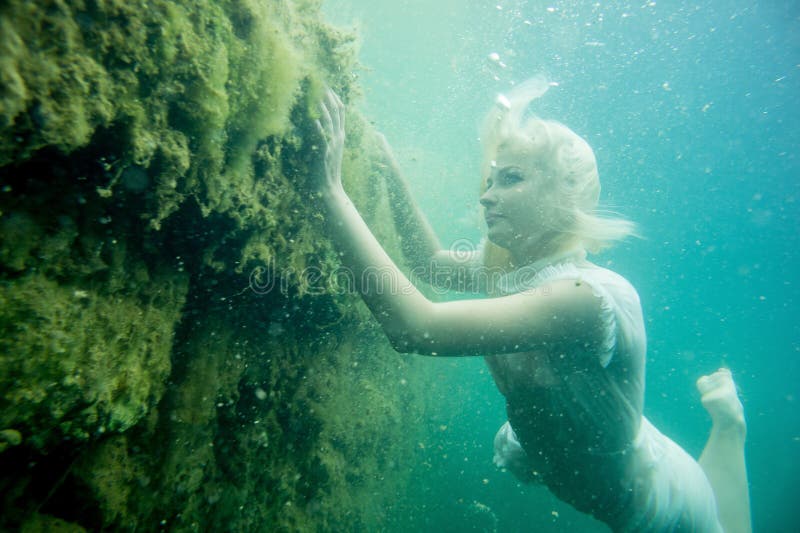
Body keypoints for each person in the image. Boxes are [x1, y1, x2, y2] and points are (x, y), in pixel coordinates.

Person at [311, 78, 751, 532]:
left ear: (566, 196)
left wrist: (328, 193)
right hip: (596, 454)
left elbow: (415, 327)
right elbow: (431, 264)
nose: (485, 195)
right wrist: (387, 167)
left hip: (662, 506)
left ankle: (729, 425)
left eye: (511, 179)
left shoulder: (584, 298)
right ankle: (729, 423)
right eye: (490, 179)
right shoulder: (510, 267)